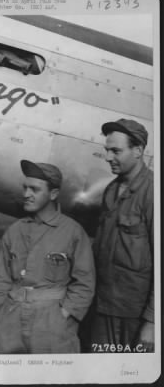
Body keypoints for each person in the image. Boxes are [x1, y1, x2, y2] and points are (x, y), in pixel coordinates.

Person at [0, 160, 95, 353]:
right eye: (25, 188)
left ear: (53, 194)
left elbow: (85, 283)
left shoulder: (72, 232)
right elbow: (1, 278)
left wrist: (65, 314)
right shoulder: (14, 231)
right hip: (11, 318)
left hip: (52, 321)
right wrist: (1, 311)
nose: (26, 194)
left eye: (34, 189)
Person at [91, 118, 154, 353]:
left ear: (138, 150)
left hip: (134, 316)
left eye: (116, 151)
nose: (108, 157)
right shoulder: (111, 190)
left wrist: (152, 322)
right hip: (103, 308)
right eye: (107, 150)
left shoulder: (153, 192)